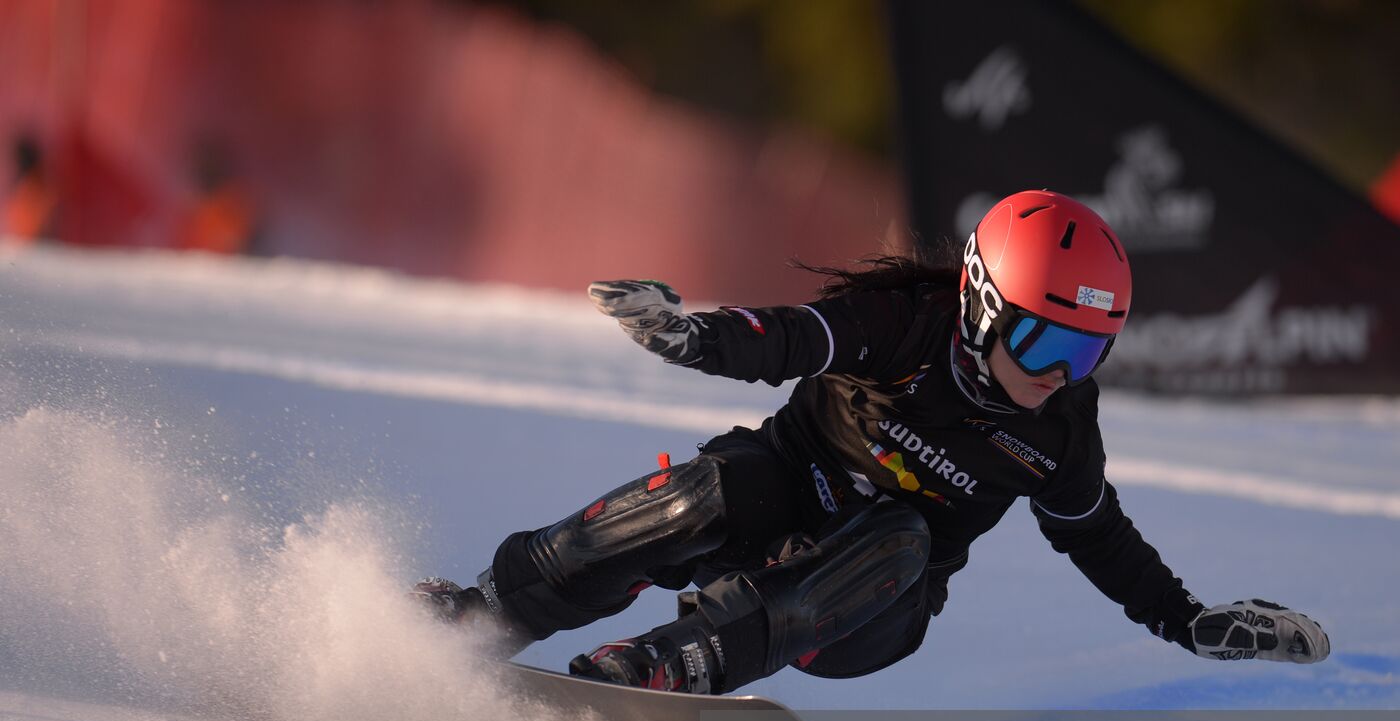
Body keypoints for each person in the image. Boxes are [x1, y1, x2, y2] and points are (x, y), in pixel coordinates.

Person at [413, 190, 1330, 694]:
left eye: (1090, 349)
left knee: (905, 533)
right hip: (776, 502)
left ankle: (672, 668)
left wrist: (1190, 620)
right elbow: (792, 339)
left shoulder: (1057, 432)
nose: (1061, 371)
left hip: (863, 610)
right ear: (979, 306)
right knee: (709, 492)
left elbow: (1101, 539)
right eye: (1046, 340)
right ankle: (487, 610)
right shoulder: (907, 324)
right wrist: (699, 337)